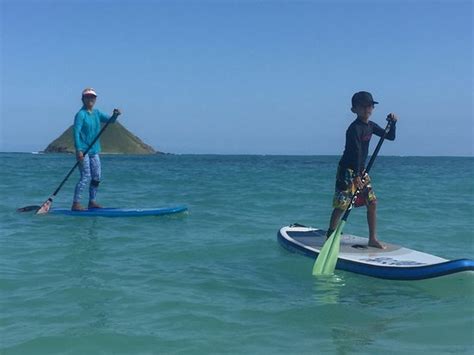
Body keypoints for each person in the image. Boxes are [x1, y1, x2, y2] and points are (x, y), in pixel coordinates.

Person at [326, 91, 398, 249]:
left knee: (372, 203)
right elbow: (356, 151)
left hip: (361, 171)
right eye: (363, 106)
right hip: (347, 170)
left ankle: (372, 238)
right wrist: (357, 175)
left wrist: (393, 123)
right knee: (342, 205)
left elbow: (389, 137)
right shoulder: (354, 129)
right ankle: (330, 235)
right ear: (354, 110)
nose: (367, 109)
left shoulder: (371, 126)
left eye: (370, 105)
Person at [71, 88, 121, 211]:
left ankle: (92, 201)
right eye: (87, 97)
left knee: (97, 176)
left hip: (94, 151)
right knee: (85, 176)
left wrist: (115, 115)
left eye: (92, 97)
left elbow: (111, 121)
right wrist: (78, 150)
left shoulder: (97, 113)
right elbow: (76, 133)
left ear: (95, 99)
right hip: (83, 151)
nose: (90, 99)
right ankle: (76, 203)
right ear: (83, 99)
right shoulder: (80, 114)